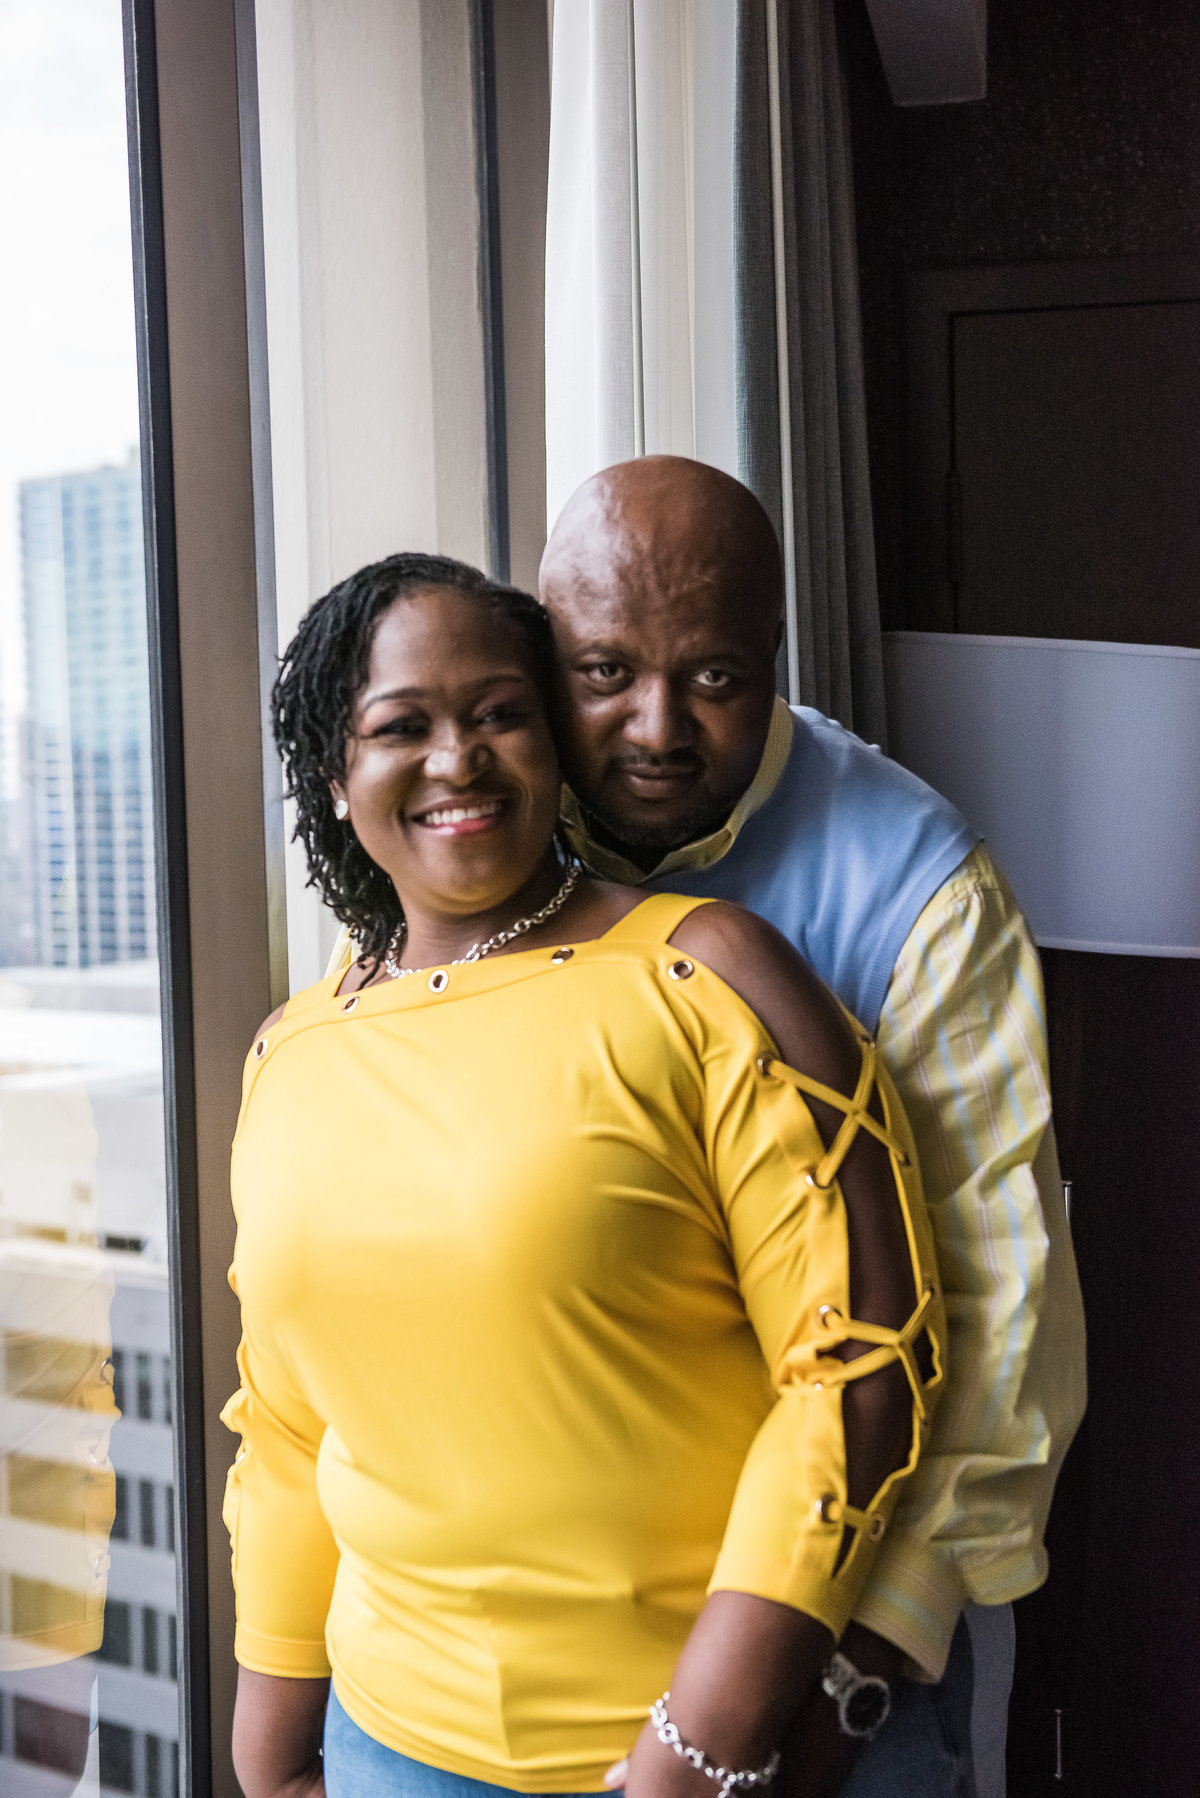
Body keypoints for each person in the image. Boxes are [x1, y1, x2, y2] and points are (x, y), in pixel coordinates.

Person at [223, 553, 947, 1798]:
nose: (459, 758)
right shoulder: (289, 1051)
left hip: (720, 1748)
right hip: (388, 1748)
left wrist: (694, 1746)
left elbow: (860, 1363)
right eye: (404, 726)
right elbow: (291, 1428)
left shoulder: (711, 973)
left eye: (499, 713)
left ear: (553, 743)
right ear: (338, 779)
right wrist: (273, 1736)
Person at [537, 457, 1087, 1798]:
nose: (654, 726)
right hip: (570, 1625)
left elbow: (1003, 1307)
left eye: (713, 677)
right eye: (604, 672)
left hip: (855, 1646)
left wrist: (855, 1678)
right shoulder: (483, 839)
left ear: (774, 652)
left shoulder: (923, 887)